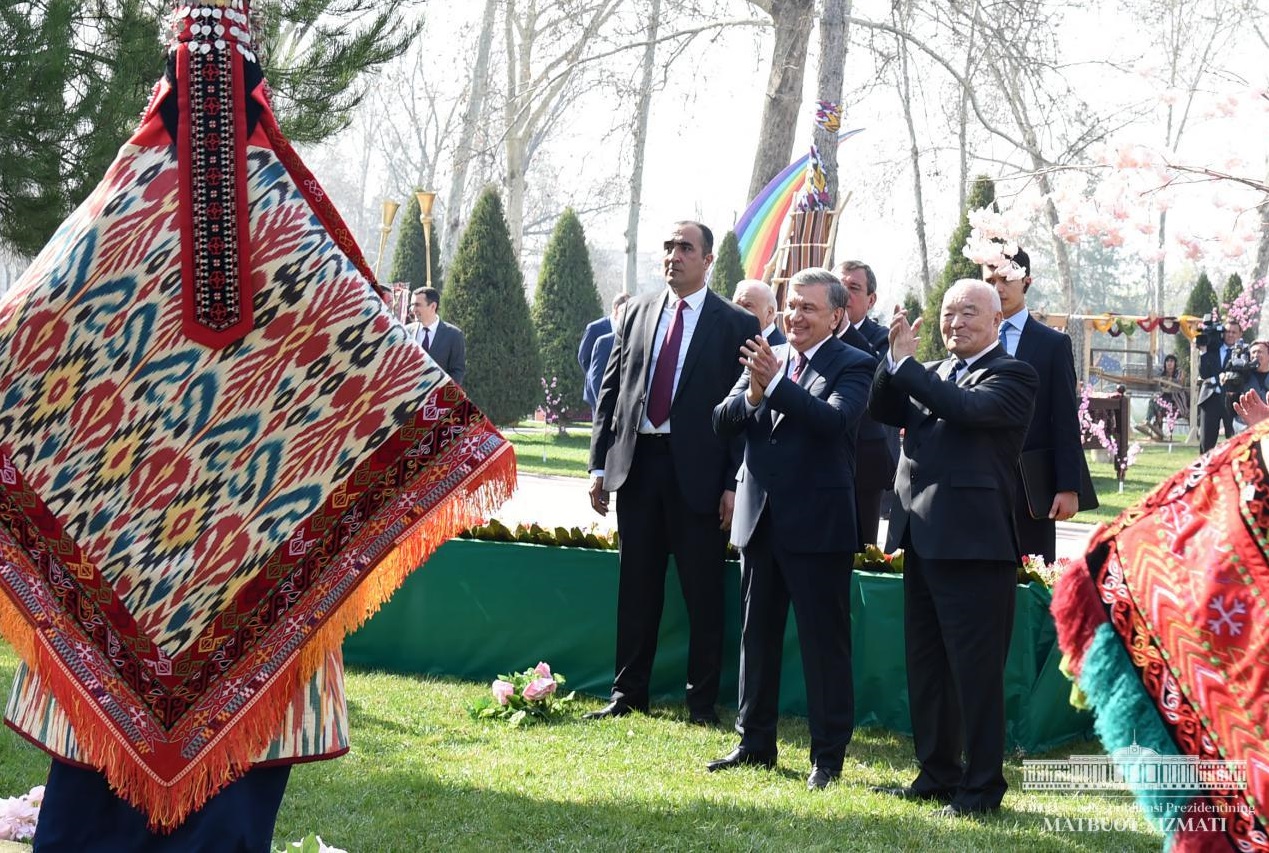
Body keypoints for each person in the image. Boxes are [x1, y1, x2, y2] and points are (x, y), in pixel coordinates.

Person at [0, 1, 515, 846]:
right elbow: (392, 399)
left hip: (115, 597)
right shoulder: (299, 241)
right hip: (253, 609)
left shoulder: (113, 222)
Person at [867, 280, 1038, 817]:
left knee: (975, 673)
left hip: (974, 546)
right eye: (947, 313)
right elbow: (882, 409)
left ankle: (983, 786)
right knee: (928, 666)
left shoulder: (1013, 374)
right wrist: (891, 361)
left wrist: (909, 368)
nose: (955, 323)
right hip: (921, 535)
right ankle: (937, 773)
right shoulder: (935, 372)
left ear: (995, 320)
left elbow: (963, 409)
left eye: (969, 314)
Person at [586, 221, 760, 725]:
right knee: (636, 586)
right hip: (638, 467)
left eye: (685, 248)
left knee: (702, 591)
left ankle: (701, 703)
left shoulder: (736, 324)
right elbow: (611, 391)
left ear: (708, 260)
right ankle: (627, 693)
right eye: (668, 247)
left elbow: (744, 412)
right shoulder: (637, 311)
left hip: (700, 476)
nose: (673, 255)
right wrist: (599, 463)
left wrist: (732, 483)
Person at [708, 268, 873, 789]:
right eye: (790, 305)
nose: (795, 316)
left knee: (824, 646)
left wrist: (774, 385)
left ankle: (827, 758)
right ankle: (753, 742)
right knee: (756, 639)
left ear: (837, 315)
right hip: (760, 521)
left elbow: (832, 423)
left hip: (818, 526)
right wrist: (755, 394)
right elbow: (722, 419)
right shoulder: (768, 353)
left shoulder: (856, 363)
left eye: (808, 308)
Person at [982, 247, 1086, 563]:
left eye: (1006, 279)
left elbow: (1065, 418)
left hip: (1029, 485)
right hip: (976, 478)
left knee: (1030, 576)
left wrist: (1068, 486)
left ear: (1027, 281)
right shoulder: (969, 336)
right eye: (990, 279)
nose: (997, 288)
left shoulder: (1052, 344)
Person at [835, 260, 895, 545]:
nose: (844, 294)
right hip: (814, 462)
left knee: (858, 550)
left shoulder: (884, 338)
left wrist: (845, 329)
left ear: (871, 299)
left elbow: (879, 374)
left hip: (863, 465)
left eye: (853, 288)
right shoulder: (808, 332)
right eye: (838, 286)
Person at [1198, 319, 1243, 452]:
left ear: (1240, 334)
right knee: (1206, 443)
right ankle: (1205, 471)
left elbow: (1240, 376)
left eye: (1234, 332)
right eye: (1227, 331)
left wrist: (1216, 378)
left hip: (1231, 399)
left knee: (1235, 440)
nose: (1230, 335)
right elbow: (1204, 373)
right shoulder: (1212, 348)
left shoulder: (1243, 352)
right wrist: (1203, 351)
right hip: (1210, 398)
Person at [406, 286, 467, 385]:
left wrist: (444, 396)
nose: (413, 309)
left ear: (433, 306)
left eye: (417, 305)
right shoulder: (406, 332)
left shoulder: (454, 335)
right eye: (412, 305)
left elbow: (457, 371)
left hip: (438, 397)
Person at [579, 293, 631, 406]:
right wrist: (594, 376)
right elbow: (583, 358)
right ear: (616, 308)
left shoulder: (629, 330)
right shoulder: (595, 328)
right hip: (595, 389)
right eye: (625, 309)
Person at [1138, 354, 1186, 440]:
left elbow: (1179, 384)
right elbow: (1158, 384)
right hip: (1163, 397)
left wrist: (1169, 381)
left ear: (1175, 363)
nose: (1169, 363)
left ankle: (1156, 426)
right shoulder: (1162, 372)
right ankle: (1149, 422)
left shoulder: (1179, 372)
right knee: (1153, 401)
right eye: (1167, 361)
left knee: (1159, 404)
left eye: (1171, 361)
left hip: (1175, 399)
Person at [732, 279, 786, 346]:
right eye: (735, 306)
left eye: (747, 306)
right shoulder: (729, 342)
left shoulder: (783, 351)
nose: (738, 311)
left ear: (769, 313)